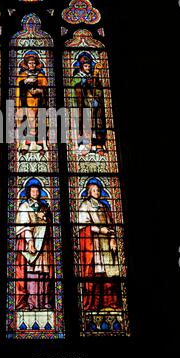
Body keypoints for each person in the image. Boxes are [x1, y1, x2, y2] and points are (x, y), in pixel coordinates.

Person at [77, 182, 121, 311]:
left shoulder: (103, 207)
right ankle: (93, 304)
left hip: (106, 244)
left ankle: (109, 302)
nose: (97, 192)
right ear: (89, 192)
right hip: (94, 242)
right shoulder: (85, 205)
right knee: (95, 272)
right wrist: (101, 230)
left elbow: (111, 225)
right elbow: (83, 225)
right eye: (94, 190)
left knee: (109, 274)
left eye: (98, 190)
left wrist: (113, 238)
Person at [15, 183, 54, 310]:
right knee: (32, 272)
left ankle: (45, 301)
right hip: (31, 244)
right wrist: (30, 241)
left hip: (44, 244)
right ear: (28, 192)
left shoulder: (44, 207)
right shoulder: (24, 206)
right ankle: (31, 302)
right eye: (33, 191)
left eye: (37, 191)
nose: (35, 193)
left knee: (44, 272)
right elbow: (23, 225)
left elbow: (50, 226)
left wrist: (46, 219)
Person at [71, 54, 106, 154]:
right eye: (86, 66)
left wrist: (96, 93)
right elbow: (74, 88)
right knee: (85, 124)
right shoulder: (77, 77)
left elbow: (99, 91)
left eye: (89, 66)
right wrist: (84, 83)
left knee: (96, 124)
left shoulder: (94, 77)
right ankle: (85, 144)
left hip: (94, 106)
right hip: (83, 106)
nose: (88, 68)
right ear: (82, 66)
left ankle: (97, 144)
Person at [16, 53, 48, 152]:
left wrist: (40, 91)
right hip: (26, 103)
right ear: (27, 64)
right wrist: (25, 81)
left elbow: (45, 89)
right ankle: (28, 143)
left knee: (38, 121)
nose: (32, 65)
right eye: (30, 63)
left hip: (38, 103)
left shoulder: (41, 76)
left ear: (36, 64)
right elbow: (19, 88)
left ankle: (36, 143)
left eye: (34, 63)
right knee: (28, 121)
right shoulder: (22, 76)